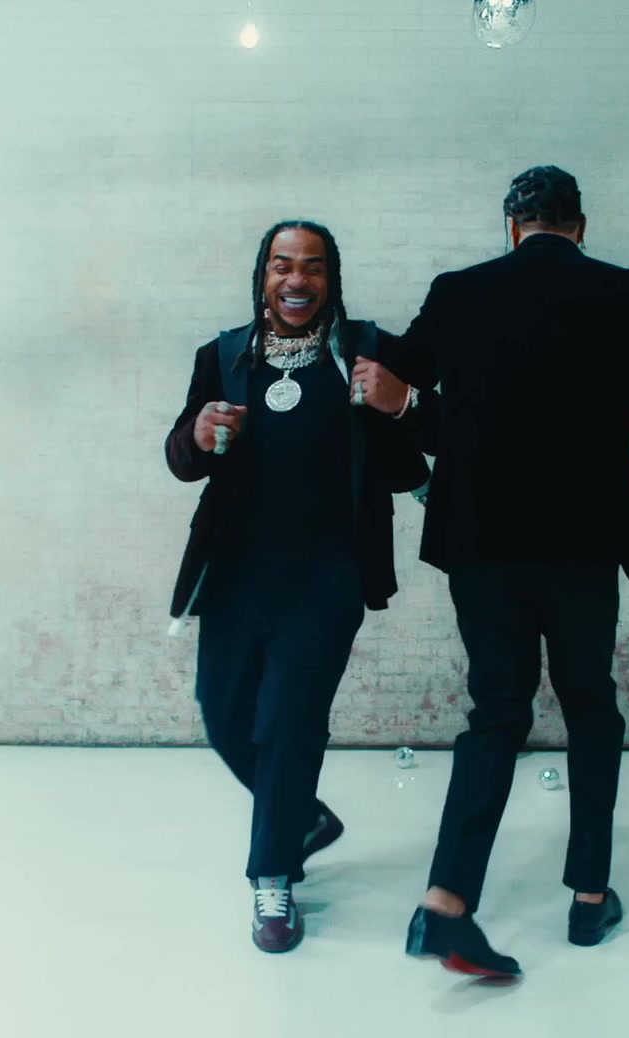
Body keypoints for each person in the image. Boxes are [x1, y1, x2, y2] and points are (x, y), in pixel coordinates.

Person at [355, 166, 629, 977]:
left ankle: (444, 902)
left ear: (512, 226)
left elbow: (399, 377)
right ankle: (588, 899)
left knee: (495, 712)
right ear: (579, 226)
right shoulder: (624, 291)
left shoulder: (458, 292)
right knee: (591, 707)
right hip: (582, 545)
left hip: (480, 545)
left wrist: (390, 387)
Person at [163, 221, 430, 954]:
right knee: (223, 713)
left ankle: (272, 879)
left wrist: (400, 402)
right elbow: (181, 457)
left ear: (331, 278)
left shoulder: (367, 350)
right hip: (237, 570)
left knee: (288, 721)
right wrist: (198, 434)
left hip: (327, 574)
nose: (297, 280)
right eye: (283, 265)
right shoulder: (224, 356)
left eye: (312, 266)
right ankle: (301, 817)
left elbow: (419, 449)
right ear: (263, 275)